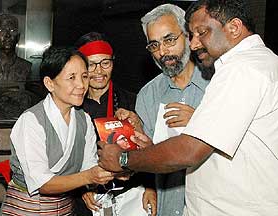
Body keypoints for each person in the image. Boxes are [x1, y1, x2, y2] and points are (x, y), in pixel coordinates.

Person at [97, 0, 278, 215]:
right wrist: (146, 148)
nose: (194, 44)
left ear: (234, 27)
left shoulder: (239, 70)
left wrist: (123, 159)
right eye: (154, 45)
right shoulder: (262, 62)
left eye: (201, 33)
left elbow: (190, 150)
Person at [1, 46, 114, 215]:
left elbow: (88, 165)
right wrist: (89, 177)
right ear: (50, 83)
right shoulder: (31, 120)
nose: (81, 85)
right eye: (71, 78)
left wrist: (109, 170)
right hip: (28, 208)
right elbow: (43, 184)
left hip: (65, 209)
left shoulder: (84, 120)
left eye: (84, 77)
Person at [136, 4, 211, 216]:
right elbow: (146, 156)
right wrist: (149, 186)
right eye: (154, 45)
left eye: (169, 40)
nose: (162, 52)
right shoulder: (147, 95)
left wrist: (199, 123)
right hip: (166, 205)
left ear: (188, 36)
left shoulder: (217, 85)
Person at [74, 32, 156, 216]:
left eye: (105, 63)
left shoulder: (132, 101)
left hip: (131, 194)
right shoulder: (72, 104)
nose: (99, 71)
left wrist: (151, 188)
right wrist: (81, 187)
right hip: (89, 197)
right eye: (91, 64)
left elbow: (153, 151)